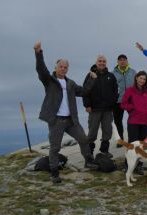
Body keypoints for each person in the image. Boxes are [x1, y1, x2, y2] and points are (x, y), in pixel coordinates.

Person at [33, 41, 98, 184]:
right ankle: (54, 172)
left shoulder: (70, 83)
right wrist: (38, 53)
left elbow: (84, 91)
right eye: (61, 66)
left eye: (65, 67)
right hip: (56, 120)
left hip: (71, 120)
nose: (63, 69)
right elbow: (41, 70)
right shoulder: (49, 80)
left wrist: (92, 80)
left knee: (83, 139)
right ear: (56, 67)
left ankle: (88, 161)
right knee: (55, 147)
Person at [121, 71, 147, 174]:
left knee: (141, 146)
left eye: (144, 79)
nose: (142, 80)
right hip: (134, 121)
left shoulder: (146, 92)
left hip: (145, 122)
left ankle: (138, 166)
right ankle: (127, 165)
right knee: (132, 145)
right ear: (136, 78)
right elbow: (123, 104)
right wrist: (133, 108)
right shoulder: (130, 90)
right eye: (141, 78)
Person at [83, 55, 118, 157]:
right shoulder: (90, 75)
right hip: (94, 109)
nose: (102, 63)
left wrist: (113, 102)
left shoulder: (111, 76)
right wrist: (87, 105)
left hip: (108, 109)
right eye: (100, 61)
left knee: (107, 131)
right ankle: (89, 154)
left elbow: (116, 91)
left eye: (104, 61)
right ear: (96, 62)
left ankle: (104, 151)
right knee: (92, 131)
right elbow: (85, 91)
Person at [112, 54, 137, 144]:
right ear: (118, 62)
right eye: (120, 60)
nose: (122, 61)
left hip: (131, 100)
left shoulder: (133, 72)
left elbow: (137, 85)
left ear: (127, 61)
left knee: (133, 120)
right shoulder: (112, 73)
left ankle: (133, 139)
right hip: (117, 101)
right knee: (118, 121)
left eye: (124, 59)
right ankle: (120, 140)